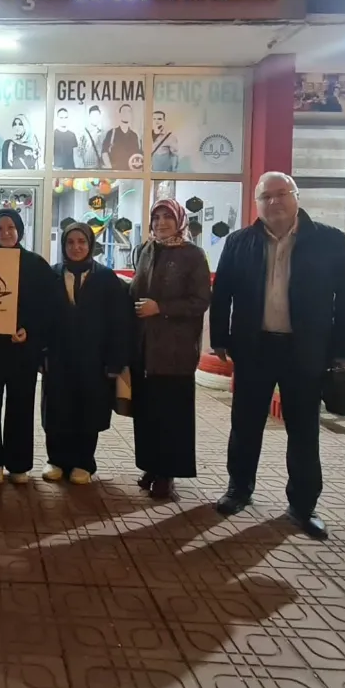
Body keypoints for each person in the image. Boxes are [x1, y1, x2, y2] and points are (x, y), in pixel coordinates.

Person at [210, 172, 345, 540]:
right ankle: (239, 489)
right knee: (245, 424)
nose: (274, 202)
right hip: (254, 347)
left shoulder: (329, 240)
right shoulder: (239, 242)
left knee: (304, 429)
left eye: (281, 194)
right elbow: (222, 294)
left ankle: (303, 505)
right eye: (266, 197)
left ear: (296, 196)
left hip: (305, 350)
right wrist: (219, 339)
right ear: (257, 204)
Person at [0, 208, 59, 484]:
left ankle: (19, 464)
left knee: (21, 403)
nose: (5, 233)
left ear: (19, 230)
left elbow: (49, 308)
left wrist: (29, 331)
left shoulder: (36, 264)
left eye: (10, 227)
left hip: (22, 347)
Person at [129, 199, 211, 501]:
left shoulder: (193, 255)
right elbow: (138, 290)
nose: (161, 222)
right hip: (145, 348)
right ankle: (151, 466)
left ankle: (168, 474)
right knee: (147, 412)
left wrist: (161, 308)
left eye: (167, 217)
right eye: (156, 217)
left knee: (172, 414)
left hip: (175, 351)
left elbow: (200, 301)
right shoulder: (146, 250)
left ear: (180, 221)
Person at [41, 223, 133, 484]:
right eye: (70, 242)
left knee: (89, 408)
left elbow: (119, 322)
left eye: (81, 242)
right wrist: (41, 354)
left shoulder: (106, 278)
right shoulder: (52, 275)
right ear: (63, 246)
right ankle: (56, 459)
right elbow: (41, 317)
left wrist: (115, 360)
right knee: (57, 407)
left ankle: (84, 462)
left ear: (90, 245)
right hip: (58, 356)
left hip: (94, 358)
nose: (76, 247)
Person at [101, 103, 143, 170]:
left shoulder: (135, 136)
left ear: (131, 115)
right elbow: (104, 152)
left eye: (129, 112)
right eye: (124, 111)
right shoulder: (111, 133)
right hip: (115, 173)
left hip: (131, 174)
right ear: (120, 114)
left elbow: (139, 155)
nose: (126, 114)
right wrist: (109, 167)